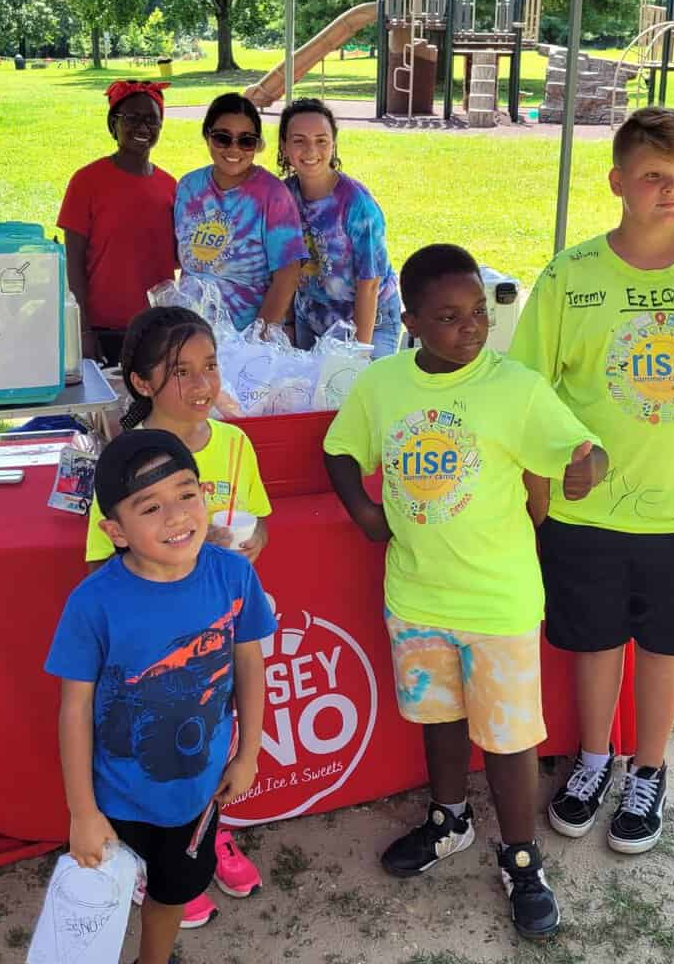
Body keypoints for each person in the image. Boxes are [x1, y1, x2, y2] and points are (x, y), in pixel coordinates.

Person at [507, 106, 674, 856]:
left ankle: (649, 768)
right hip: (587, 515)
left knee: (664, 647)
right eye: (653, 176)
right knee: (592, 643)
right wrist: (541, 498)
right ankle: (595, 760)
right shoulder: (570, 275)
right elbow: (530, 395)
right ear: (617, 181)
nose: (670, 190)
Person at [321, 243, 608, 941]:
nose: (472, 327)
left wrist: (586, 470)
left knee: (509, 740)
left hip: (499, 604)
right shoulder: (384, 386)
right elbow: (339, 448)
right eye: (449, 317)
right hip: (417, 597)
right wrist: (363, 512)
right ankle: (448, 820)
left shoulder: (514, 387)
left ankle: (520, 857)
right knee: (441, 718)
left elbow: (584, 448)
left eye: (478, 310)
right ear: (410, 320)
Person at [46, 429, 275, 964]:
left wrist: (249, 753)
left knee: (173, 892)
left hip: (198, 796)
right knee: (101, 895)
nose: (176, 516)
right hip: (116, 797)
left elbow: (249, 661)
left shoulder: (235, 575)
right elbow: (74, 707)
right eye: (150, 507)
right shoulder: (93, 604)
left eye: (186, 494)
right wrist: (82, 811)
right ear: (115, 531)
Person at [81, 306, 272, 927]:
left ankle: (206, 838)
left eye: (210, 367)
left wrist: (244, 545)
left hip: (222, 630)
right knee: (158, 746)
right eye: (180, 372)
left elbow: (260, 521)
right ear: (141, 384)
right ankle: (149, 862)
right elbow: (98, 566)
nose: (201, 385)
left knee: (215, 737)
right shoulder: (123, 462)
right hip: (156, 646)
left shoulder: (236, 444)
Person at [57, 80, 177, 367]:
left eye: (152, 119)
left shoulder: (171, 186)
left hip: (157, 328)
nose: (142, 127)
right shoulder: (86, 181)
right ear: (113, 125)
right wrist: (82, 330)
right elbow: (72, 262)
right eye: (131, 118)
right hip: (103, 328)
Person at [276, 98, 402, 357]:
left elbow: (369, 284)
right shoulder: (283, 196)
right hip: (311, 315)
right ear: (284, 147)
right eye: (299, 140)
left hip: (370, 319)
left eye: (321, 140)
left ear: (333, 145)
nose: (311, 150)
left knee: (359, 393)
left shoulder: (357, 205)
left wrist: (357, 354)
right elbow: (285, 268)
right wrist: (288, 323)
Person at [175, 93, 306, 332]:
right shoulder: (188, 187)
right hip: (189, 334)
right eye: (222, 138)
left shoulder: (272, 195)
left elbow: (287, 275)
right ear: (207, 135)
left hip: (244, 338)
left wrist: (257, 340)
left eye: (246, 141)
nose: (234, 148)